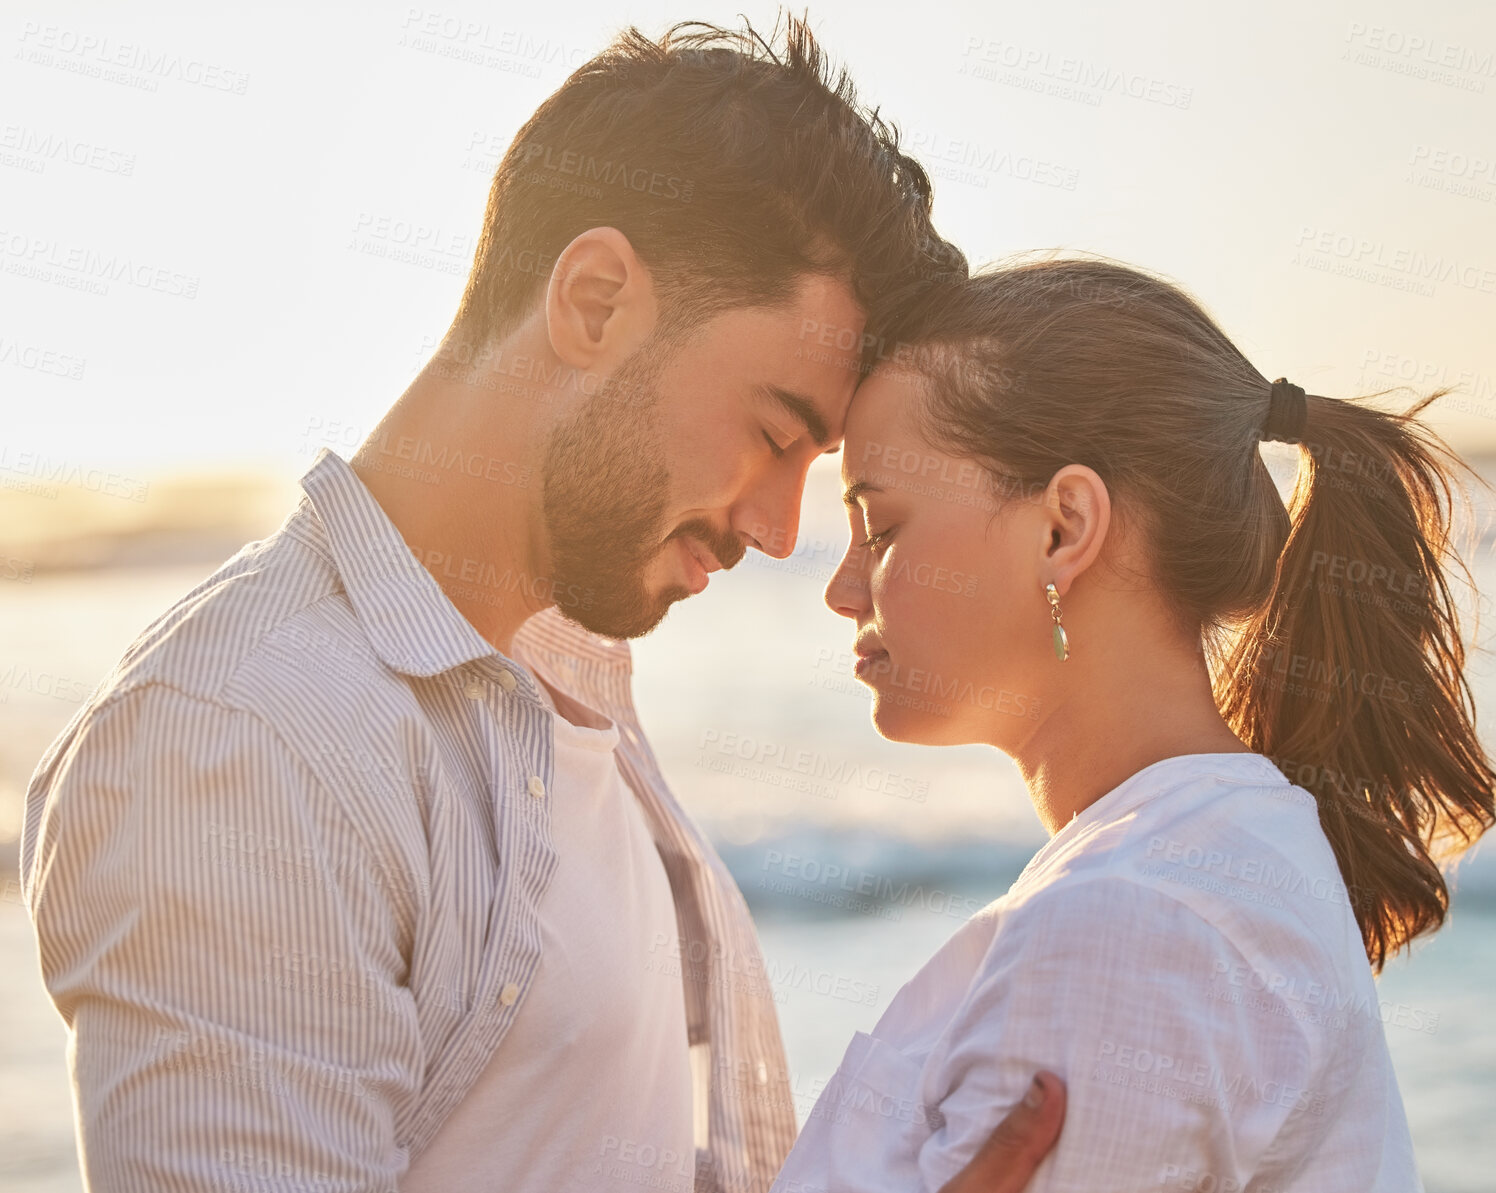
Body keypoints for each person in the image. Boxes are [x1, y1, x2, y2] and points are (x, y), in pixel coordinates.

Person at [18, 19, 1065, 1193]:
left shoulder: (564, 662)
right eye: (774, 435)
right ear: (596, 298)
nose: (777, 528)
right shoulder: (245, 738)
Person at [774, 258, 1496, 1192]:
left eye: (879, 528)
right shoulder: (1200, 858)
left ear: (1062, 527)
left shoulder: (1125, 923)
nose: (841, 591)